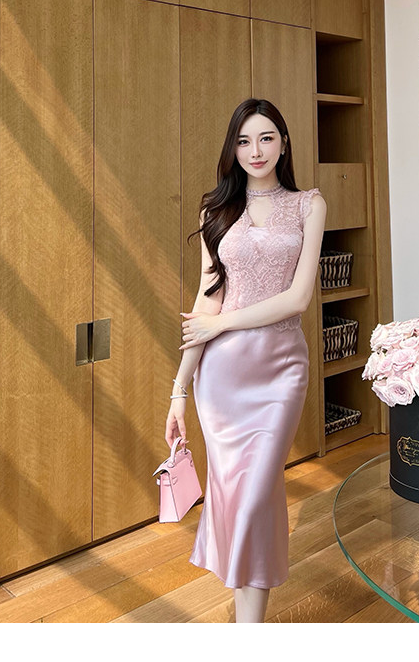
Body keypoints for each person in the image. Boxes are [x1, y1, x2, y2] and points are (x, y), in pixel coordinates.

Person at [164, 97, 327, 623]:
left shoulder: (309, 206)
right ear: (232, 149)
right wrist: (179, 390)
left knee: (256, 494)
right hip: (222, 376)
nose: (255, 150)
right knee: (236, 496)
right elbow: (206, 300)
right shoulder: (216, 211)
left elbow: (298, 298)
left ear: (283, 143)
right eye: (243, 140)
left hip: (281, 369)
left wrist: (221, 323)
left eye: (266, 138)